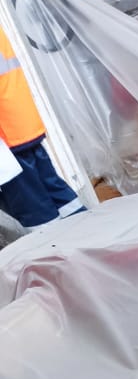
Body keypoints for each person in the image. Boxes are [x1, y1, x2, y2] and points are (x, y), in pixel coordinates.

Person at [0, 24, 85, 228]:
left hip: (8, 137)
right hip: (22, 123)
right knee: (55, 191)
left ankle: (55, 244)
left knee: (33, 207)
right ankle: (90, 229)